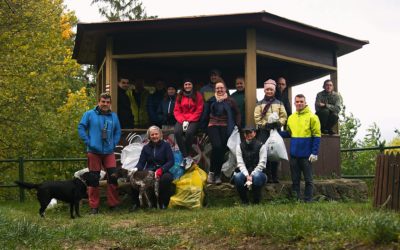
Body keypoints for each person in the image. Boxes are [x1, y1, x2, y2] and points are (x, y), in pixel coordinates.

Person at [77, 92, 121, 214]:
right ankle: (94, 207)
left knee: (113, 177)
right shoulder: (89, 114)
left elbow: (118, 131)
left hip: (109, 152)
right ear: (99, 102)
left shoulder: (114, 116)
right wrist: (88, 142)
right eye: (103, 101)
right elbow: (81, 127)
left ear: (110, 103)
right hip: (93, 151)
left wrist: (114, 144)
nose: (105, 104)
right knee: (93, 179)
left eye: (107, 102)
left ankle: (113, 204)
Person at [283, 94, 321, 202]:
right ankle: (296, 200)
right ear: (294, 103)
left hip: (307, 155)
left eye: (301, 101)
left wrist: (315, 152)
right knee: (295, 179)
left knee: (308, 180)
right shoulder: (291, 118)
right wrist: (275, 133)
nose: (299, 103)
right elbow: (289, 133)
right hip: (294, 154)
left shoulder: (312, 117)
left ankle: (308, 200)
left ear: (305, 102)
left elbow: (317, 135)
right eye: (297, 101)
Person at [204, 81, 241, 184]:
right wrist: (202, 128)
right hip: (213, 126)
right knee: (217, 146)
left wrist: (237, 124)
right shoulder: (211, 100)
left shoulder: (231, 101)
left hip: (226, 127)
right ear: (215, 90)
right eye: (217, 88)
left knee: (221, 150)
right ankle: (212, 172)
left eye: (221, 88)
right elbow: (205, 114)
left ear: (225, 89)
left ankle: (216, 175)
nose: (219, 90)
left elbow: (237, 113)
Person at [131, 126, 175, 210]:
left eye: (156, 134)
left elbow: (171, 161)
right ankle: (136, 203)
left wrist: (162, 170)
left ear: (160, 135)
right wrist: (135, 169)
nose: (154, 136)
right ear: (149, 136)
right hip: (150, 171)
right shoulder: (146, 148)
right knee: (134, 177)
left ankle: (163, 203)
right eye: (152, 135)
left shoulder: (166, 146)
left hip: (163, 170)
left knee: (166, 179)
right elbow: (141, 163)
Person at [254, 79, 287, 183]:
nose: (269, 91)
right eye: (267, 89)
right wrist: (265, 125)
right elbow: (257, 117)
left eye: (271, 90)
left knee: (275, 152)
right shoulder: (259, 104)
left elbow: (284, 116)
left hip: (275, 131)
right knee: (264, 152)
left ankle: (275, 175)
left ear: (274, 90)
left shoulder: (280, 103)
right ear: (264, 90)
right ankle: (267, 175)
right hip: (264, 131)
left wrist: (279, 123)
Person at [173, 79, 204, 167]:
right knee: (177, 132)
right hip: (182, 118)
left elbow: (199, 109)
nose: (187, 86)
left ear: (192, 85)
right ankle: (185, 156)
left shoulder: (198, 95)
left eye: (189, 84)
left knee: (189, 133)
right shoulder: (180, 95)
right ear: (183, 86)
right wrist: (182, 120)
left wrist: (190, 119)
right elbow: (176, 109)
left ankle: (187, 155)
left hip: (193, 119)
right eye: (186, 84)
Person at [233, 126, 267, 204]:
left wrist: (252, 175)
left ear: (254, 133)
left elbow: (262, 164)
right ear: (244, 134)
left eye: (250, 132)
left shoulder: (262, 146)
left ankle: (256, 201)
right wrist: (247, 175)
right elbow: (240, 163)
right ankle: (244, 201)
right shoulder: (239, 146)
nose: (248, 134)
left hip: (259, 173)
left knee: (257, 177)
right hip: (244, 173)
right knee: (237, 177)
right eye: (246, 133)